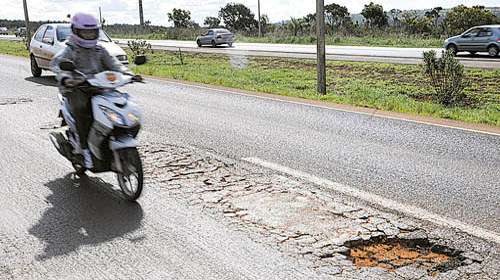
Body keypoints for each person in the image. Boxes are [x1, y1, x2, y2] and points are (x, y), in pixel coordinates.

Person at [51, 12, 141, 169]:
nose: (89, 35)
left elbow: (114, 65)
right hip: (77, 89)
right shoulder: (70, 49)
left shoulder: (100, 50)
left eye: (92, 32)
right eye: (85, 32)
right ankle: (85, 151)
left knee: (126, 108)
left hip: (100, 88)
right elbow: (58, 64)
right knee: (82, 113)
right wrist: (66, 78)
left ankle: (111, 141)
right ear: (76, 31)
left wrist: (130, 74)